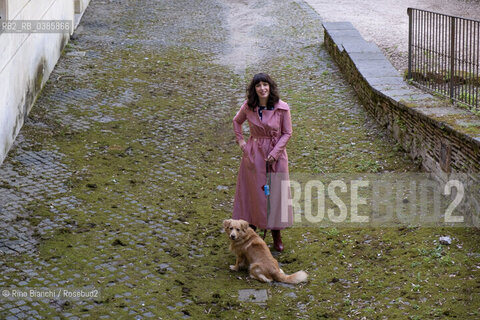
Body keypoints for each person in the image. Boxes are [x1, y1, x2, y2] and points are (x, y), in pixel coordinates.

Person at [232, 73, 293, 252]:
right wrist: (241, 142)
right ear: (254, 89)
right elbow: (236, 121)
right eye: (258, 85)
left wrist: (275, 153)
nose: (262, 88)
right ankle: (251, 236)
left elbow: (287, 133)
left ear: (270, 86)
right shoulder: (249, 107)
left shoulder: (282, 108)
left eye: (265, 84)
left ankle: (277, 236)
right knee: (254, 195)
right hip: (254, 154)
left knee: (275, 194)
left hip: (276, 155)